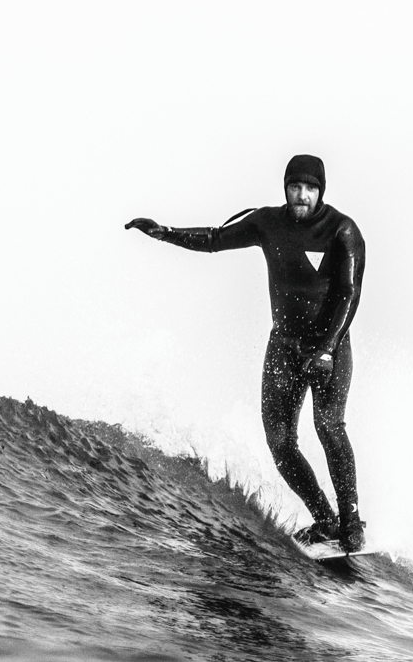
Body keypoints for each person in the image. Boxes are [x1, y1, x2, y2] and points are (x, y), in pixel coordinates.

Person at [125, 154, 367, 552]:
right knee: (280, 441)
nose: (302, 195)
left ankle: (350, 520)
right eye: (295, 187)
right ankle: (325, 520)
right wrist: (163, 232)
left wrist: (325, 349)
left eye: (310, 188)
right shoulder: (268, 222)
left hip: (330, 347)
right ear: (286, 187)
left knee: (328, 426)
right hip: (284, 346)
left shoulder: (343, 231)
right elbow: (215, 240)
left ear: (320, 191)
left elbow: (349, 294)